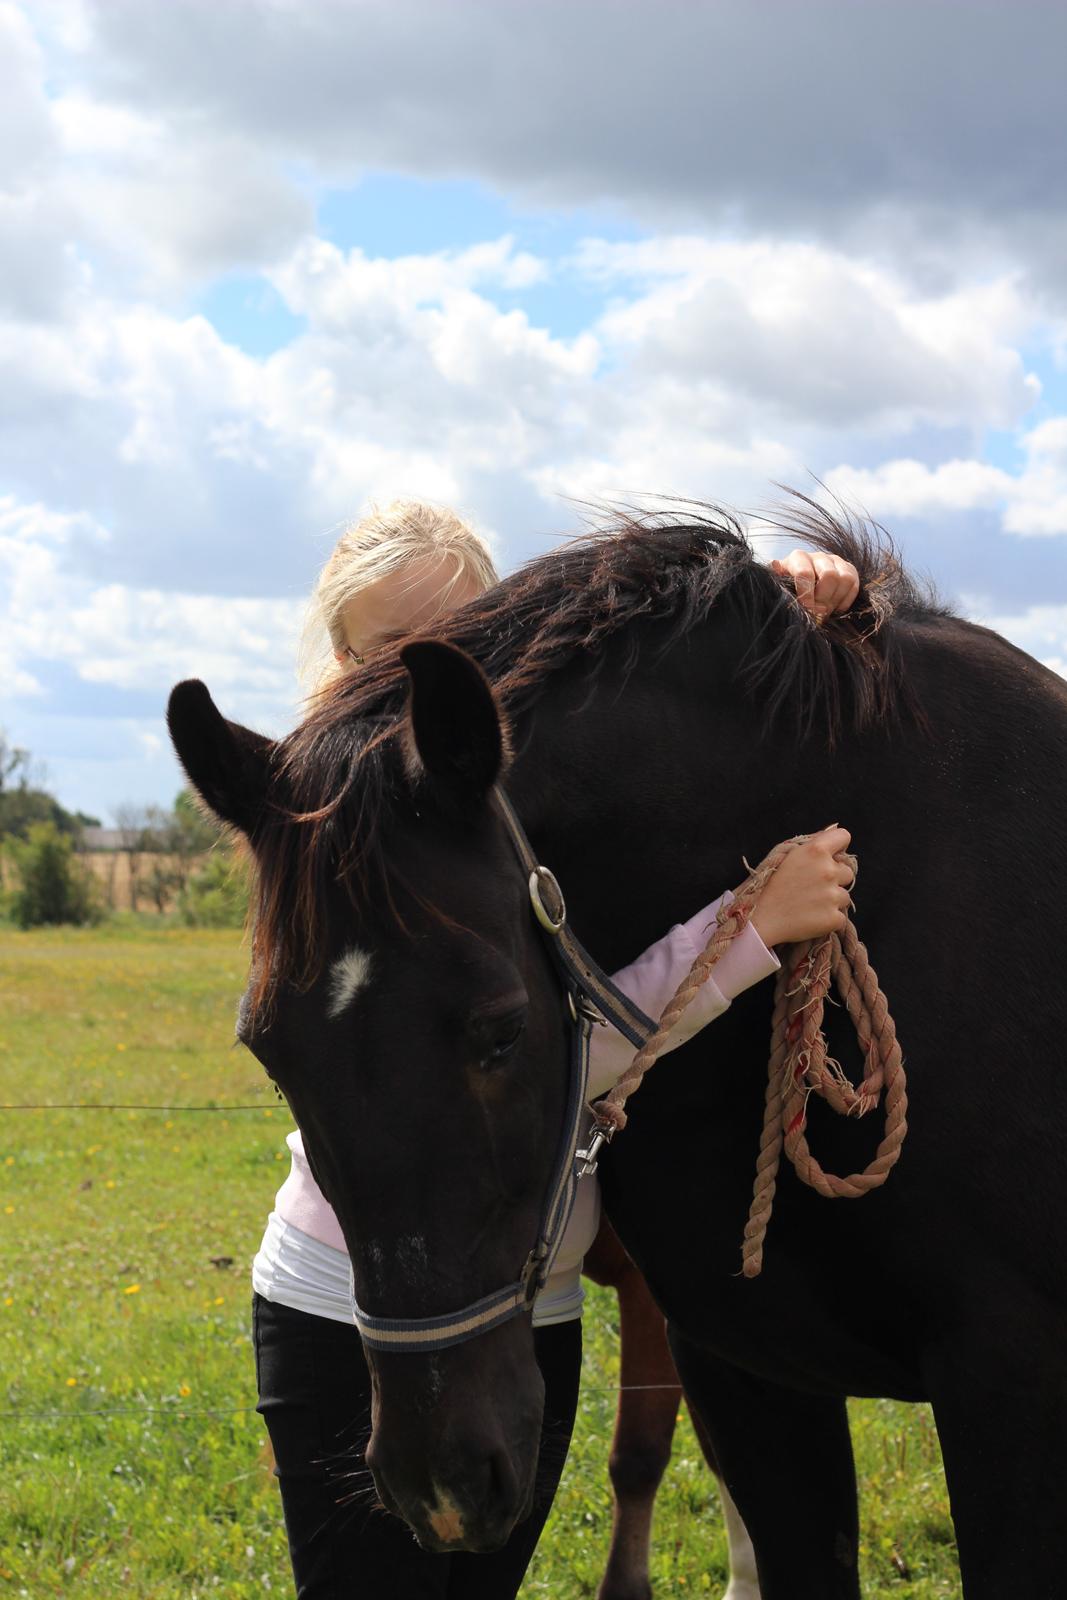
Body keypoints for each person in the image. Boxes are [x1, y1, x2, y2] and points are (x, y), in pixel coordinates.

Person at [251, 501, 861, 1599]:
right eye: (388, 652)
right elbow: (520, 1073)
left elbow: (656, 676)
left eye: (456, 644)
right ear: (340, 664)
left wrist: (785, 589)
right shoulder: (345, 844)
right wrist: (747, 933)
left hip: (525, 1304)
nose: (421, 685)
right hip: (359, 1303)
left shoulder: (533, 807)